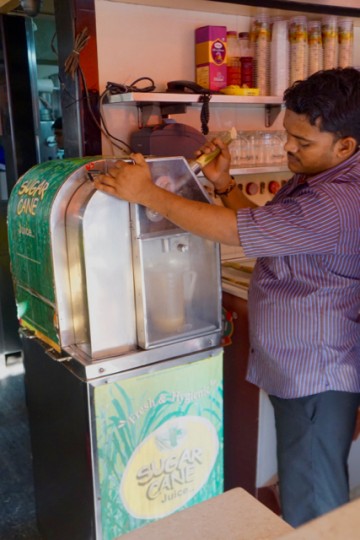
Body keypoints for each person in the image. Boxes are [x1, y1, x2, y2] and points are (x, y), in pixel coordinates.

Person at [94, 67, 360, 527]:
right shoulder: (317, 176)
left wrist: (149, 195)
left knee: (314, 495)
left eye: (302, 141)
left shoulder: (339, 199)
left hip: (317, 371)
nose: (288, 148)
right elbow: (268, 232)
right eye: (288, 136)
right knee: (305, 478)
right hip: (300, 365)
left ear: (346, 146)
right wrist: (224, 185)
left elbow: (235, 232)